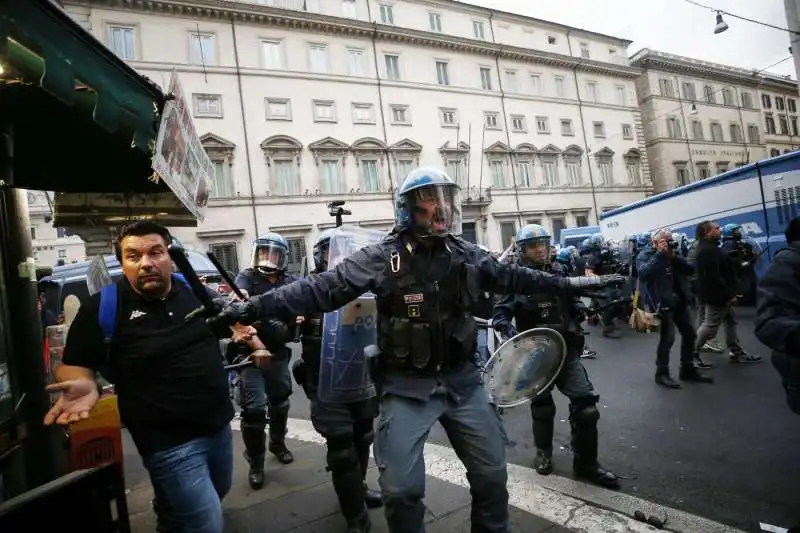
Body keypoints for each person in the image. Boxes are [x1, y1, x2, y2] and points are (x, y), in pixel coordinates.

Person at [210, 168, 624, 533]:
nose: (441, 210)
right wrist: (254, 306)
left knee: (492, 478)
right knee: (402, 491)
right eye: (429, 202)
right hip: (407, 387)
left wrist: (570, 285)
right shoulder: (381, 258)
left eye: (445, 200)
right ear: (408, 210)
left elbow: (515, 277)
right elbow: (320, 289)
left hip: (463, 383)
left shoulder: (467, 254)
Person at [43, 221, 237, 533]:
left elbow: (230, 325)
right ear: (123, 263)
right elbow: (74, 365)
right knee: (205, 524)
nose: (146, 263)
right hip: (166, 442)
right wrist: (84, 382)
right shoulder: (104, 308)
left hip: (218, 427)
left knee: (219, 492)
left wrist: (249, 337)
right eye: (133, 256)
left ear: (169, 256)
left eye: (155, 252)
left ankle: (168, 507)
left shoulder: (195, 292)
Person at [492, 225, 618, 488]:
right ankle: (543, 453)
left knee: (585, 406)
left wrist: (581, 311)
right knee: (542, 407)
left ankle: (586, 464)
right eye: (533, 245)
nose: (540, 249)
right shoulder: (516, 280)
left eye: (543, 244)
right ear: (523, 251)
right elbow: (500, 314)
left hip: (566, 348)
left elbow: (571, 302)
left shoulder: (561, 273)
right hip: (535, 355)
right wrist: (507, 329)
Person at [292, 228, 382, 533]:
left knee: (363, 439)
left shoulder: (367, 289)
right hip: (325, 382)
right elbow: (280, 324)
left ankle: (359, 488)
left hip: (360, 379)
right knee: (341, 450)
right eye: (330, 252)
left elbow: (375, 336)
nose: (338, 258)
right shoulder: (309, 290)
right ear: (321, 256)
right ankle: (355, 516)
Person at [232, 232, 297, 489]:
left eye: (273, 254)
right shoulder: (246, 277)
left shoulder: (289, 280)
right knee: (254, 409)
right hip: (250, 355)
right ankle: (256, 464)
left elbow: (299, 303)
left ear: (282, 258)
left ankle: (278, 443)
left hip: (278, 352)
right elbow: (239, 303)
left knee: (280, 402)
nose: (267, 258)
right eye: (263, 252)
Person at [637, 229, 712, 388]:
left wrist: (673, 257)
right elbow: (644, 274)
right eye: (665, 240)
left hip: (679, 301)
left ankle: (687, 368)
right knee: (668, 339)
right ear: (655, 243)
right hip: (662, 304)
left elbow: (689, 269)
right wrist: (659, 255)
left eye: (670, 240)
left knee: (690, 334)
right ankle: (662, 373)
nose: (669, 242)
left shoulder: (673, 253)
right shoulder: (646, 255)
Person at [693, 221, 760, 363]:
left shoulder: (711, 248)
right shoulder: (708, 250)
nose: (720, 231)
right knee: (710, 326)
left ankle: (736, 351)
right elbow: (713, 278)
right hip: (717, 296)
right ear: (707, 232)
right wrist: (729, 295)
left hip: (719, 294)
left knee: (730, 321)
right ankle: (689, 355)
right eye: (716, 228)